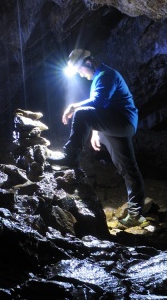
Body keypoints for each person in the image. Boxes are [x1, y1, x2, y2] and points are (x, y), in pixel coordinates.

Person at [52, 48, 147, 228]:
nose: (80, 74)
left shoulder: (106, 75)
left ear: (88, 63)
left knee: (80, 113)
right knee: (128, 168)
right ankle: (136, 214)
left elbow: (98, 102)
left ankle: (70, 157)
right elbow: (103, 108)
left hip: (122, 121)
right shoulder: (100, 76)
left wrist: (73, 106)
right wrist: (97, 130)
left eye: (80, 70)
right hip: (121, 123)